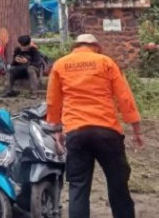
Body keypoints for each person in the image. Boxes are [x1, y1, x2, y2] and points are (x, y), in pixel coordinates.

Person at [46, 34, 144, 218]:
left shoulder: (61, 64)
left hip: (76, 132)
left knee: (78, 187)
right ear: (96, 47)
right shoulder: (106, 62)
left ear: (75, 46)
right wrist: (136, 130)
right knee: (118, 184)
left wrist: (57, 129)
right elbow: (125, 98)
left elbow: (53, 101)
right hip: (107, 132)